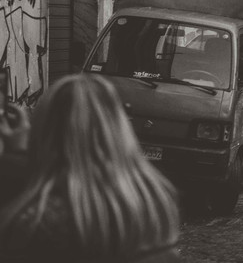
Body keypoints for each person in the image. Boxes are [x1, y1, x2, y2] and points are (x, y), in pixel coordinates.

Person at [0, 74, 181, 262]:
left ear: (44, 132)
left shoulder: (36, 222)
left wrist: (17, 154)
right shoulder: (156, 200)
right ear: (119, 128)